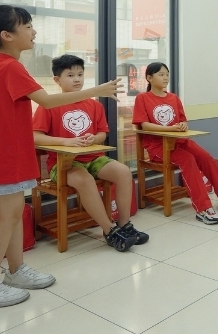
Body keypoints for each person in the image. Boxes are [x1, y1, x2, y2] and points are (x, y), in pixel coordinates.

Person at [0, 5, 122, 309]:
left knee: (12, 215)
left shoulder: (1, 64)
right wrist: (97, 90)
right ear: (7, 35)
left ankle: (16, 270)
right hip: (4, 156)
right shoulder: (8, 66)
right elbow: (48, 101)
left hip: (10, 153)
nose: (33, 31)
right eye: (27, 26)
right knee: (8, 217)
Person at [33, 54, 148, 252]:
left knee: (123, 172)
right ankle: (110, 231)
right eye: (70, 75)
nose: (77, 79)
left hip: (94, 159)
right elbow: (35, 137)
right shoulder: (49, 105)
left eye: (80, 74)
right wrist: (65, 141)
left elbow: (102, 134)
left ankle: (124, 225)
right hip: (63, 165)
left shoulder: (95, 105)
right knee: (84, 179)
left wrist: (93, 139)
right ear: (57, 80)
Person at [132, 62, 218, 225]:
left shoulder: (174, 98)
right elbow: (144, 125)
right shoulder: (142, 98)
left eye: (167, 74)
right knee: (188, 160)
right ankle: (203, 208)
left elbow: (183, 121)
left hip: (180, 141)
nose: (166, 78)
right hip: (158, 147)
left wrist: (182, 125)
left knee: (206, 158)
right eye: (161, 74)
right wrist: (171, 129)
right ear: (149, 78)